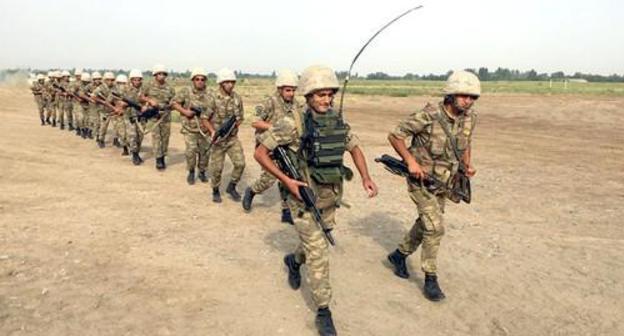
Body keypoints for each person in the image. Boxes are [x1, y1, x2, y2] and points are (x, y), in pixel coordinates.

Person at [254, 65, 378, 336]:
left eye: (329, 94)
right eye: (320, 94)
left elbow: (354, 146)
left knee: (314, 245)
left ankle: (293, 261)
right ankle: (324, 311)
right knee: (319, 252)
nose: (326, 100)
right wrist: (286, 181)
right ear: (309, 96)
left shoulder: (336, 120)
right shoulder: (292, 123)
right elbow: (261, 154)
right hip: (301, 198)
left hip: (329, 197)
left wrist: (366, 176)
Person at [386, 70, 479, 301]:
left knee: (426, 222)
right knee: (435, 227)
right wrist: (410, 162)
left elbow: (466, 142)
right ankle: (430, 277)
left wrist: (467, 164)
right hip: (421, 180)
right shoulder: (428, 115)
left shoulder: (469, 117)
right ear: (450, 94)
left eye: (473, 97)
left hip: (444, 181)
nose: (468, 101)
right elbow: (395, 135)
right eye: (464, 96)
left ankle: (399, 255)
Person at [242, 69, 300, 224]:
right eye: (288, 90)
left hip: (287, 147)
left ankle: (286, 210)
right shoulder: (269, 102)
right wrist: (275, 128)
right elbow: (255, 122)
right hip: (267, 147)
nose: (291, 94)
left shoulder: (295, 104)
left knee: (289, 176)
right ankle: (252, 191)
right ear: (280, 89)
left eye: (293, 90)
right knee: (269, 178)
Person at [205, 68, 245, 202]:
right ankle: (215, 190)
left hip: (232, 139)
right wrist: (212, 131)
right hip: (218, 140)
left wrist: (233, 127)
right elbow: (204, 118)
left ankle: (232, 186)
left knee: (240, 164)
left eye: (232, 82)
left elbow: (240, 118)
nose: (231, 85)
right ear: (221, 83)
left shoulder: (237, 98)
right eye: (227, 82)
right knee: (216, 169)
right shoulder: (212, 98)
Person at [171, 67, 212, 185]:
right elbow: (174, 103)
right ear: (193, 80)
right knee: (191, 152)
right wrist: (185, 112)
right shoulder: (186, 91)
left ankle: (202, 172)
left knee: (205, 153)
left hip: (205, 129)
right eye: (197, 79)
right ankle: (191, 171)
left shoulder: (211, 93)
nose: (200, 81)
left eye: (202, 79)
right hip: (189, 128)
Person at [140, 64, 175, 170]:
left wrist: (170, 106)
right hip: (153, 115)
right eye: (159, 74)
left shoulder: (170, 88)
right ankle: (158, 159)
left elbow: (174, 101)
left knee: (165, 138)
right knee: (156, 137)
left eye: (164, 74)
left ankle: (163, 155)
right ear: (155, 75)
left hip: (165, 116)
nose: (161, 76)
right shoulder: (148, 85)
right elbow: (141, 97)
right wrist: (149, 101)